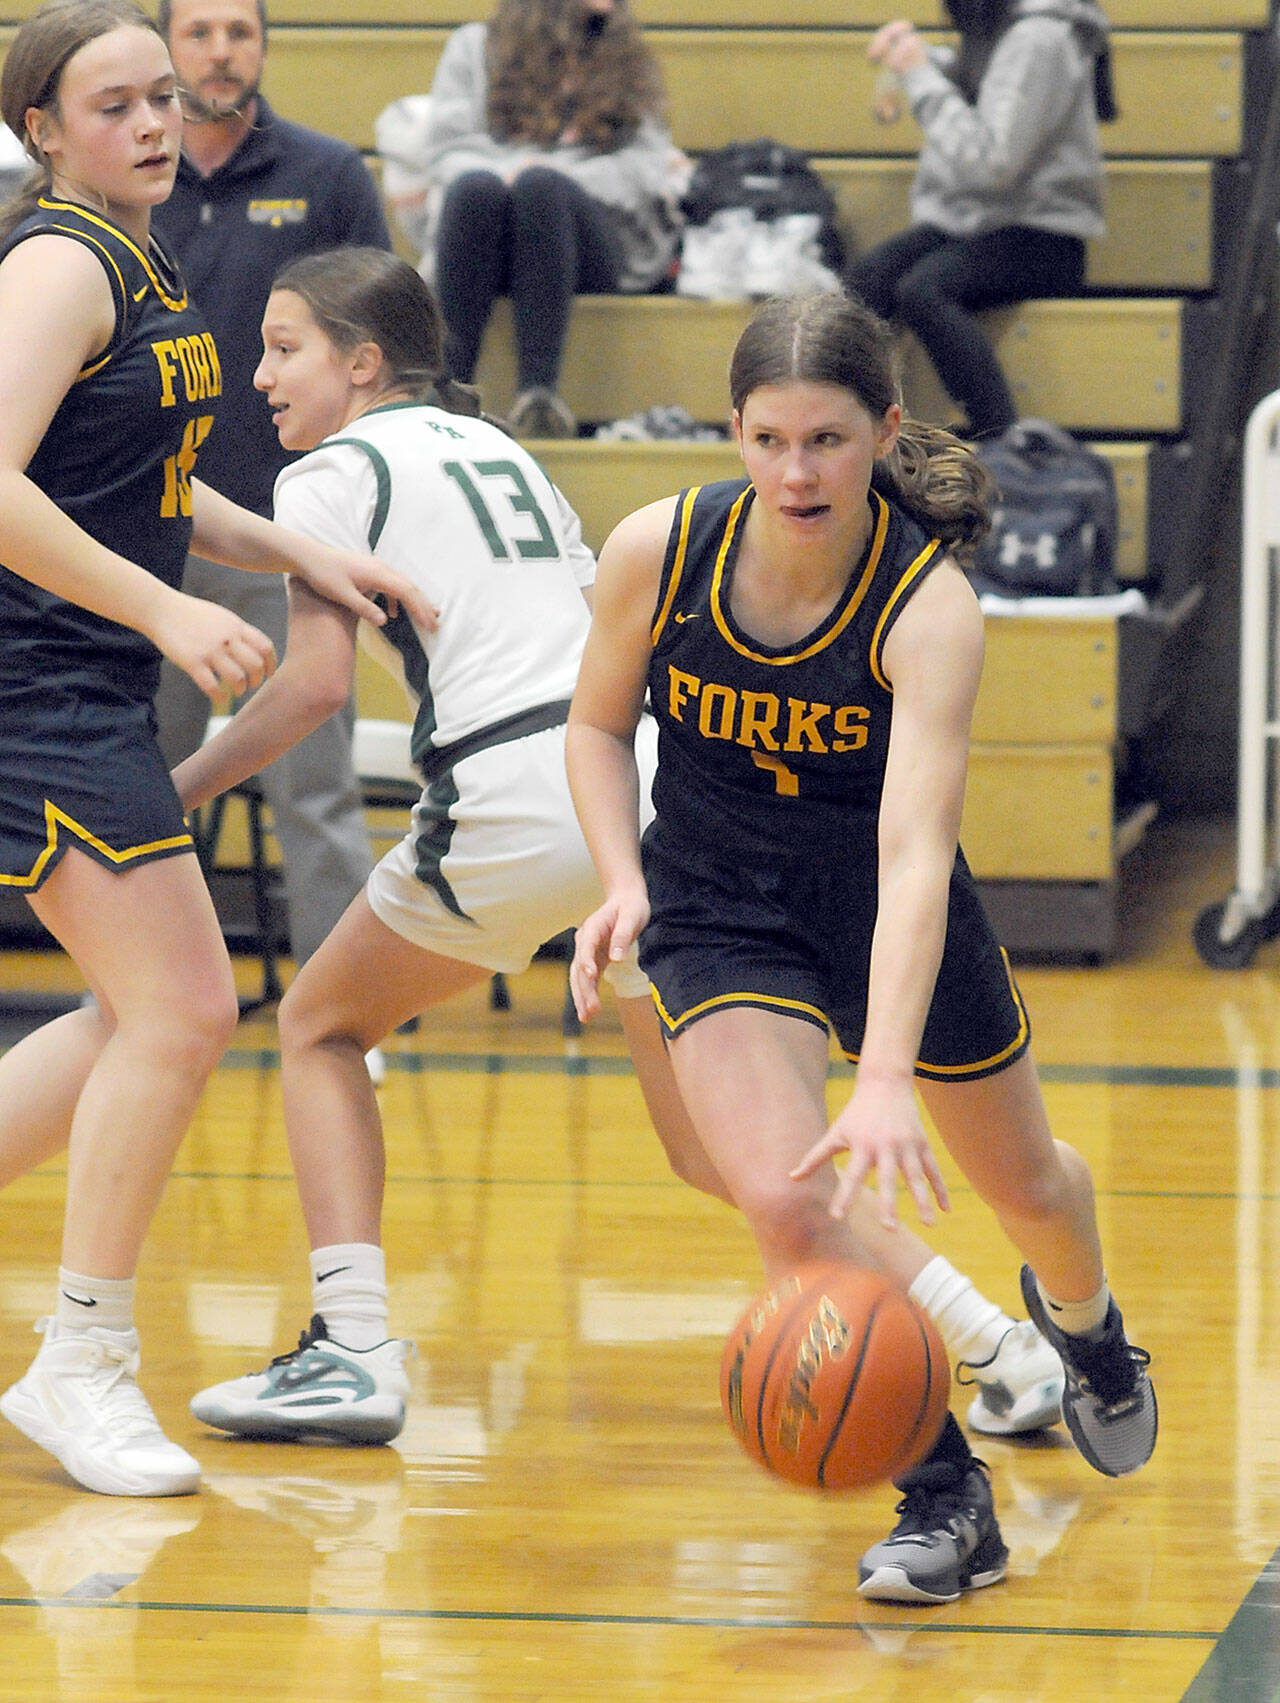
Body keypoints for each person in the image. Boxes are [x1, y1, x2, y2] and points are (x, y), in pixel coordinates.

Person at [174, 248, 1062, 1454]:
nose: (262, 375)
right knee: (724, 1153)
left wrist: (177, 792)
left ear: (361, 362)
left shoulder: (326, 473)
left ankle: (350, 1345)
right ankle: (992, 1341)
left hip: (514, 787)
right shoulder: (494, 447)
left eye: (285, 348)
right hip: (645, 787)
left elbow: (314, 687)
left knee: (318, 1027)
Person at [567, 289, 1156, 1606]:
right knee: (784, 1193)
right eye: (768, 437)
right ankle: (946, 1497)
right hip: (720, 902)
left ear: (884, 431)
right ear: (732, 431)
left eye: (826, 439)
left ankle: (1090, 1327)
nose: (795, 470)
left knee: (1030, 1183)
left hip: (885, 905)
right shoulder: (658, 550)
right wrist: (621, 881)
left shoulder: (927, 605)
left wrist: (884, 1068)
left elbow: (910, 855)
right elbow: (597, 728)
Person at [0, 0, 431, 1500]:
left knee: (146, 1013)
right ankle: (83, 1358)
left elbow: (151, 480)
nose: (148, 122)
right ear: (43, 131)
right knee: (183, 1006)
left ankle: (80, 1355)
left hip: (82, 675)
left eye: (159, 97)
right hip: (33, 683)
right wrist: (172, 617)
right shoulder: (56, 261)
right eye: (110, 103)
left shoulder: (141, 256)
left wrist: (311, 563)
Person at [149, 0, 395, 989]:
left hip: (293, 537)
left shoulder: (327, 173)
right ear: (167, 44)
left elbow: (384, 346)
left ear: (262, 44)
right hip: (144, 544)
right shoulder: (129, 172)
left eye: (239, 32)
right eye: (199, 31)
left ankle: (346, 1007)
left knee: (315, 788)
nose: (220, 50)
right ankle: (128, 997)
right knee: (137, 789)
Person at [414, 0, 686, 439]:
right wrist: (511, 174)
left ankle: (539, 395)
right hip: (489, 229)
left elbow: (646, 169)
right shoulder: (473, 47)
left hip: (589, 245)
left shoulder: (629, 56)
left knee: (541, 188)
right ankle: (448, 388)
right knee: (474, 189)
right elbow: (448, 152)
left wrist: (552, 173)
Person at [846, 0, 1114, 439]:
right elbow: (988, 87)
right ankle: (837, 433)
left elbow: (991, 163)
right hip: (976, 224)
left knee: (923, 290)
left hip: (1044, 234)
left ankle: (1004, 442)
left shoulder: (1040, 37)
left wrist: (920, 76)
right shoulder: (1001, 22)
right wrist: (919, 55)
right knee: (859, 289)